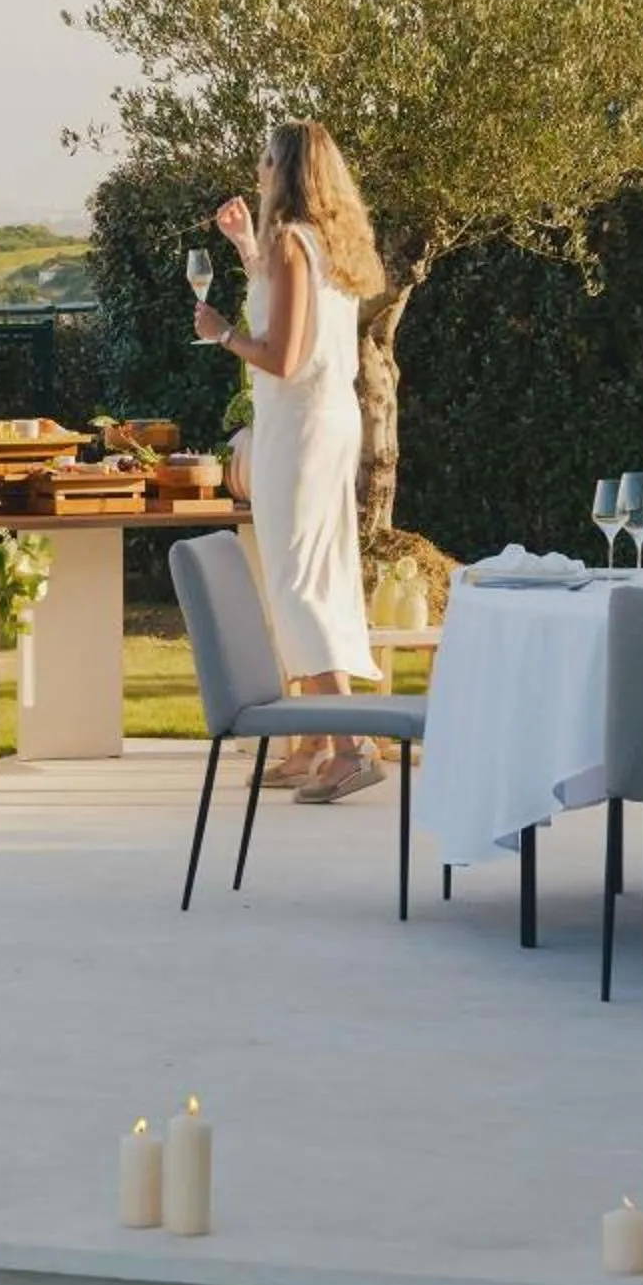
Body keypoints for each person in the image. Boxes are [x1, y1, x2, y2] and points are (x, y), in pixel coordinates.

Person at [191, 120, 387, 802]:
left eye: (268, 159)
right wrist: (245, 245)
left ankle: (348, 745)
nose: (259, 168)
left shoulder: (293, 244)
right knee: (315, 572)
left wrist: (221, 335)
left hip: (299, 427)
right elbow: (290, 314)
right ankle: (310, 742)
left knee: (298, 581)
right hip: (330, 420)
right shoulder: (325, 244)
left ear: (293, 173)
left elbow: (282, 355)